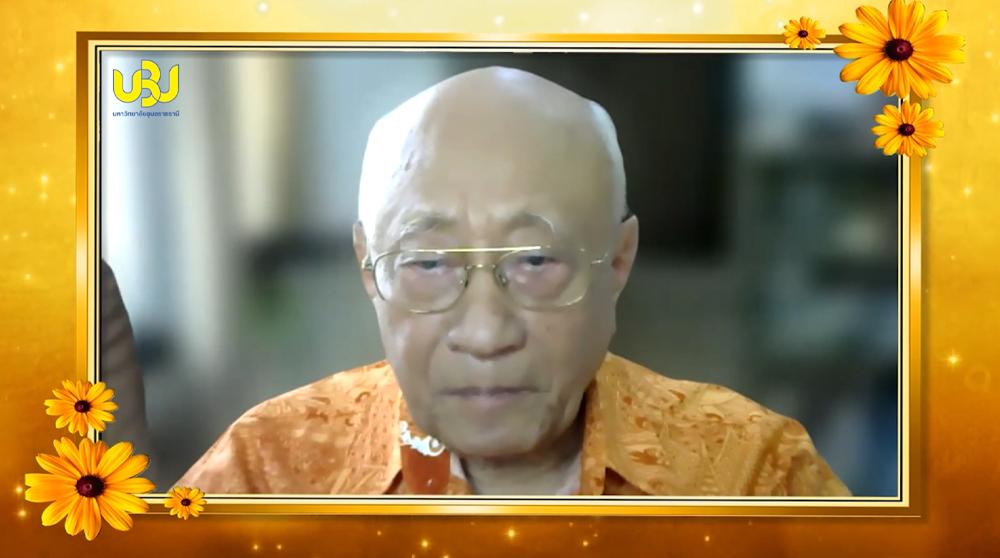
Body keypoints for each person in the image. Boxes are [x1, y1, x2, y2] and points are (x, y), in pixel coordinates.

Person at [178, 66, 850, 496]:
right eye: (428, 263)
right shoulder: (267, 470)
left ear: (618, 261)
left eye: (535, 261)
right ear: (368, 270)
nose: (485, 333)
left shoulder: (753, 475)